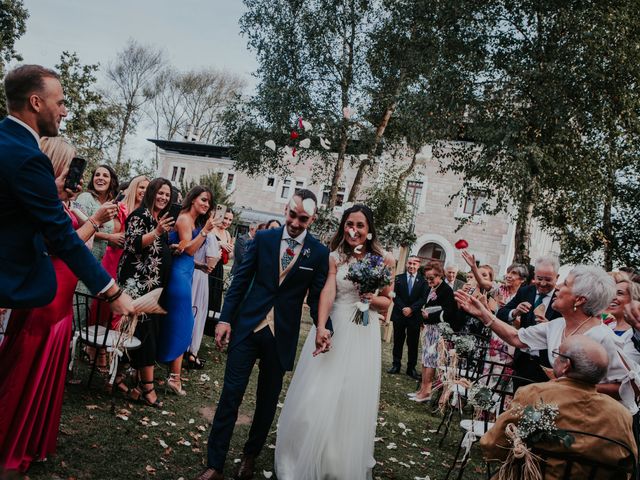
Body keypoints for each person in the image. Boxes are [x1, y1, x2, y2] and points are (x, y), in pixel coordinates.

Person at [0, 136, 117, 473]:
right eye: (68, 166)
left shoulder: (62, 202)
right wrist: (93, 221)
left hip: (61, 296)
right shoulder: (40, 201)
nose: (73, 174)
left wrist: (77, 209)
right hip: (47, 292)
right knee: (24, 368)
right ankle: (10, 440)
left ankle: (31, 439)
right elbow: (63, 245)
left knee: (45, 367)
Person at [194, 190, 329, 480]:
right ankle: (215, 464)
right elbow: (241, 280)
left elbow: (318, 298)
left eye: (302, 218)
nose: (295, 222)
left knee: (267, 402)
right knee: (231, 395)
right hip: (247, 328)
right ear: (286, 209)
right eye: (292, 215)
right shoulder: (264, 239)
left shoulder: (318, 253)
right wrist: (225, 319)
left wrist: (324, 326)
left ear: (312, 219)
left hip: (282, 336)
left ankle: (249, 457)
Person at [275, 204, 395, 480]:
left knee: (350, 396)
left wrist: (369, 297)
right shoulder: (335, 258)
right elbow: (329, 290)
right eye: (349, 224)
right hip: (336, 327)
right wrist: (320, 326)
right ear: (343, 227)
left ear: (369, 230)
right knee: (316, 393)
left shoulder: (384, 259)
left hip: (363, 336)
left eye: (360, 225)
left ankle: (336, 463)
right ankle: (302, 457)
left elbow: (387, 301)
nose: (354, 229)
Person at [0, 64, 132, 311]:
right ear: (36, 102)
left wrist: (51, 192)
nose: (65, 111)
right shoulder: (29, 158)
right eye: (60, 103)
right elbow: (60, 235)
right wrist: (111, 292)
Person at [456, 265, 628, 397]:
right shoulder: (557, 325)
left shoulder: (603, 337)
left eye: (566, 284)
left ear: (580, 300)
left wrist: (571, 388)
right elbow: (516, 337)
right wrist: (483, 314)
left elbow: (624, 386)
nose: (558, 287)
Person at [480, 335, 637, 479]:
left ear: (566, 365)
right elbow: (627, 467)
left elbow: (493, 444)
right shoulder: (621, 415)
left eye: (558, 355)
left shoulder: (534, 393)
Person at [118, 178, 175, 408]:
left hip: (153, 288)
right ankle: (147, 388)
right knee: (146, 334)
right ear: (151, 193)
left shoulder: (157, 219)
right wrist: (158, 232)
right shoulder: (139, 216)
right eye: (160, 193)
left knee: (143, 334)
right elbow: (132, 244)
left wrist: (170, 247)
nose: (163, 197)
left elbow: (155, 250)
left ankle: (128, 380)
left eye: (167, 195)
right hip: (137, 286)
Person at [158, 186, 216, 396]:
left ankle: (173, 375)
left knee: (179, 323)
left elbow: (187, 250)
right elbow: (189, 249)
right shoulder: (183, 219)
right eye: (203, 200)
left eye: (208, 202)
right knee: (184, 323)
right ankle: (174, 377)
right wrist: (205, 231)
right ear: (192, 200)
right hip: (178, 277)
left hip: (186, 273)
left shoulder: (192, 221)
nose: (206, 205)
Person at [495, 256, 563, 388]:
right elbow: (501, 314)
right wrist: (515, 312)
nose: (542, 283)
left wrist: (551, 326)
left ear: (557, 277)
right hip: (523, 359)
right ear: (534, 276)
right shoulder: (526, 291)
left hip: (547, 366)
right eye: (539, 278)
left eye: (548, 280)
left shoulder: (561, 298)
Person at [411, 261, 457, 402]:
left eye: (431, 278)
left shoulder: (446, 290)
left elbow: (449, 312)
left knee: (431, 360)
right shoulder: (431, 288)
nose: (429, 281)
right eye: (427, 278)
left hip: (437, 330)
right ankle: (422, 389)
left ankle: (427, 392)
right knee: (425, 359)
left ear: (439, 275)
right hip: (428, 328)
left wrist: (430, 315)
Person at [388, 255, 428, 380]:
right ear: (406, 264)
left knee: (413, 343)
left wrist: (411, 309)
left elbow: (423, 298)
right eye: (409, 263)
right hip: (399, 314)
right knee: (398, 341)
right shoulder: (398, 279)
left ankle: (411, 368)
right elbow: (394, 295)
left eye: (414, 264)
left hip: (414, 316)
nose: (411, 266)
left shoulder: (423, 281)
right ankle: (396, 365)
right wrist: (403, 308)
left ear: (418, 265)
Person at [186, 229, 221, 369]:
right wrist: (218, 252)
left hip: (184, 272)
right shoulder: (209, 236)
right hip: (200, 276)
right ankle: (192, 352)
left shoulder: (188, 229)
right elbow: (211, 263)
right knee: (197, 313)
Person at [207, 209, 234, 319]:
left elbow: (228, 257)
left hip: (219, 269)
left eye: (230, 220)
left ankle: (209, 324)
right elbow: (205, 244)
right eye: (225, 218)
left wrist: (231, 249)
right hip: (208, 265)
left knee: (215, 295)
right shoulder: (212, 229)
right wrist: (219, 243)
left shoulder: (227, 234)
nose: (227, 222)